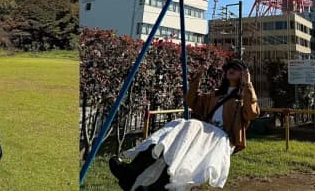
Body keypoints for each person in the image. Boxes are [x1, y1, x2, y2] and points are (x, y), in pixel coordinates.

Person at [109, 59, 259, 191]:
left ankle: (145, 181)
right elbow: (191, 101)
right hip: (204, 134)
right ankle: (132, 172)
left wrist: (248, 85)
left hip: (222, 138)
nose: (231, 70)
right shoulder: (215, 95)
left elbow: (252, 113)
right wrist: (197, 78)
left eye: (236, 68)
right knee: (172, 144)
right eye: (229, 67)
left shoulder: (243, 97)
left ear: (243, 74)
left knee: (190, 124)